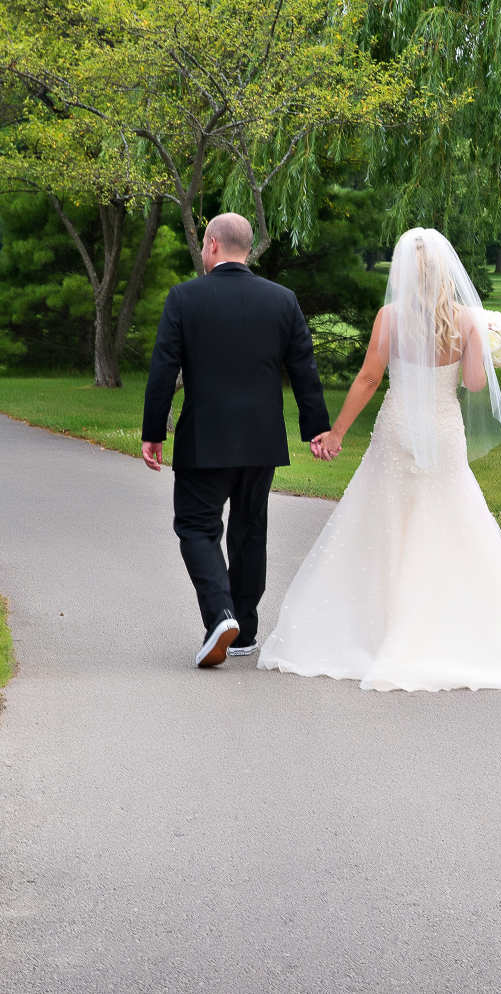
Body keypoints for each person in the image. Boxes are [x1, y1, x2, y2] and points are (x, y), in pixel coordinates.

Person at [257, 227, 501, 692]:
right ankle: (448, 627)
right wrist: (485, 343)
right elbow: (473, 384)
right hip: (444, 429)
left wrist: (336, 433)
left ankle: (380, 627)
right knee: (451, 520)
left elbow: (369, 379)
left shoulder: (389, 317)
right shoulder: (468, 320)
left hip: (398, 429)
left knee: (385, 521)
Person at [141, 213, 332, 668]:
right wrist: (316, 428)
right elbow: (304, 369)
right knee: (250, 529)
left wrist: (153, 432)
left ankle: (220, 615)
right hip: (261, 439)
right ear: (246, 248)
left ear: (211, 245)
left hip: (204, 437)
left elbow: (164, 370)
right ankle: (243, 627)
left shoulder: (185, 298)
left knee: (196, 526)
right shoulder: (282, 300)